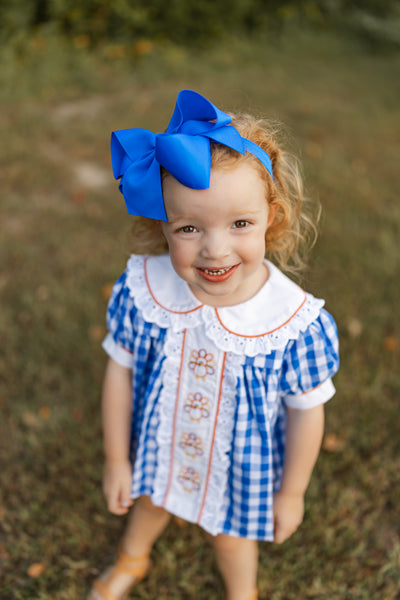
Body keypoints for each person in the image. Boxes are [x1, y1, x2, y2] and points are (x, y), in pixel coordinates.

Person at [88, 90, 339, 600]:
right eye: (189, 228)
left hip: (240, 468)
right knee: (150, 505)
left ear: (272, 214)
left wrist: (291, 493)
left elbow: (307, 411)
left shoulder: (291, 322)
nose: (214, 248)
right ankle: (131, 560)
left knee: (232, 540)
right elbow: (121, 370)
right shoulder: (147, 292)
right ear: (164, 225)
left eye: (240, 223)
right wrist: (118, 459)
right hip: (162, 448)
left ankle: (240, 594)